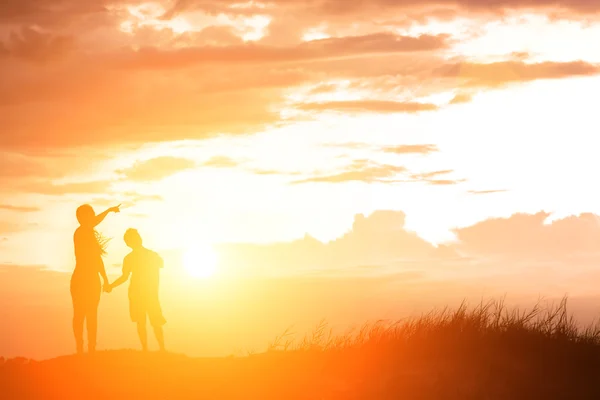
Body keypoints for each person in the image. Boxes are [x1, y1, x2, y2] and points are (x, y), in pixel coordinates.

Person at [71, 204, 120, 354]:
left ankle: (91, 348)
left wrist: (105, 279)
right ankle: (80, 347)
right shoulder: (80, 232)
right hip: (80, 279)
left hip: (93, 279)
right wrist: (108, 210)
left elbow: (98, 260)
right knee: (79, 314)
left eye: (92, 214)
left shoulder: (90, 235)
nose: (92, 217)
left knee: (92, 314)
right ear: (80, 218)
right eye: (88, 215)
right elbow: (93, 222)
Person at [109, 228, 166, 352]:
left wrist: (111, 286)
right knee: (152, 322)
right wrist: (111, 286)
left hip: (141, 293)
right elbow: (161, 265)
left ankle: (149, 349)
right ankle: (159, 349)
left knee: (143, 322)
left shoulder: (130, 258)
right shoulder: (151, 254)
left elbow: (124, 277)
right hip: (147, 293)